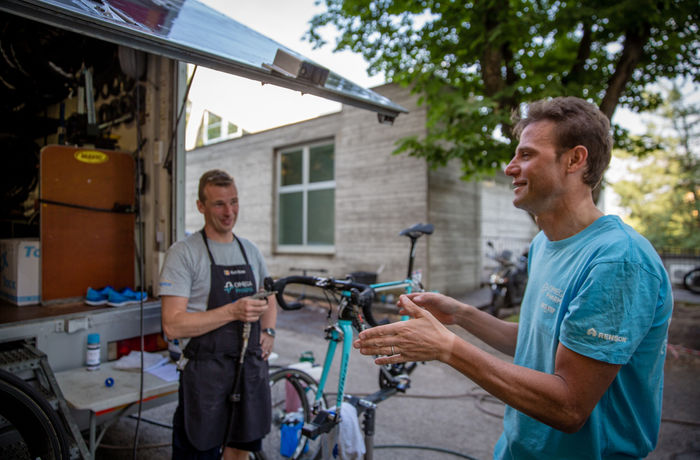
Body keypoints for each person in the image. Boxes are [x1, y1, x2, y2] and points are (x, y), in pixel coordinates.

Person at [355, 97, 673, 459]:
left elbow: (569, 406)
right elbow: (538, 341)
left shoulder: (619, 260)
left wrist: (447, 348)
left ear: (574, 159)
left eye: (526, 155)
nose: (510, 168)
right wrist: (461, 315)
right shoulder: (543, 245)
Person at [160, 169, 277, 460]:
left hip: (248, 372)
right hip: (205, 377)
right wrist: (232, 311)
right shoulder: (184, 253)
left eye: (234, 202)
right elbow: (172, 325)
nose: (229, 212)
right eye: (219, 204)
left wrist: (269, 331)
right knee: (198, 452)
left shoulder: (249, 250)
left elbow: (269, 294)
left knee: (239, 452)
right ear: (200, 206)